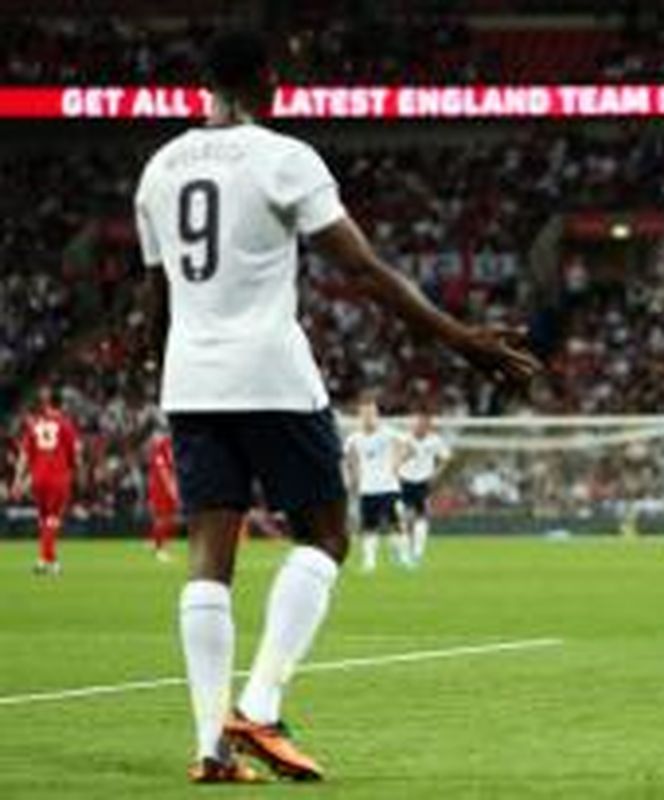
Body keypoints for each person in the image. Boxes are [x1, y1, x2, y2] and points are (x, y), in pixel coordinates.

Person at [133, 30, 540, 784]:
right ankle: (258, 703)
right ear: (264, 81)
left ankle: (210, 750)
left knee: (208, 557)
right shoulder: (285, 157)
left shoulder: (158, 170)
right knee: (325, 535)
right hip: (271, 376)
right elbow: (365, 270)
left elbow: (156, 302)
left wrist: (168, 383)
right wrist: (461, 339)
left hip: (191, 383)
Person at [11, 385, 80, 575]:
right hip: (58, 477)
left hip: (38, 478)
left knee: (43, 520)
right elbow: (74, 454)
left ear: (48, 404)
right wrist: (75, 471)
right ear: (62, 406)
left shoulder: (35, 425)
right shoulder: (65, 425)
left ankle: (46, 559)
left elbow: (24, 455)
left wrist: (18, 480)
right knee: (53, 520)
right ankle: (47, 562)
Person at [342, 391, 402, 572]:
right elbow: (349, 458)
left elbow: (405, 446)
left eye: (371, 413)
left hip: (389, 487)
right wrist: (354, 478)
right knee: (369, 527)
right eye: (365, 414)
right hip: (367, 488)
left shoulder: (387, 433)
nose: (368, 417)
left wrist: (396, 464)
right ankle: (369, 562)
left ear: (377, 414)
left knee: (394, 524)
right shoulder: (354, 438)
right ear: (360, 416)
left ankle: (400, 557)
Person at [395, 413, 451, 569]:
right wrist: (398, 466)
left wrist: (436, 474)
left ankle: (417, 553)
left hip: (423, 483)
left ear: (428, 426)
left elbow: (446, 458)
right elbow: (396, 457)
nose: (419, 427)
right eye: (417, 423)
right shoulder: (404, 439)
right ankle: (404, 553)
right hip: (404, 481)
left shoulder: (435, 441)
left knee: (421, 517)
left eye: (423, 424)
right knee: (403, 518)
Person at [146, 424, 180, 562]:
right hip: (161, 488)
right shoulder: (162, 447)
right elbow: (163, 469)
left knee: (166, 517)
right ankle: (160, 549)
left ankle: (157, 542)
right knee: (164, 517)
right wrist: (171, 486)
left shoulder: (169, 445)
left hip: (163, 486)